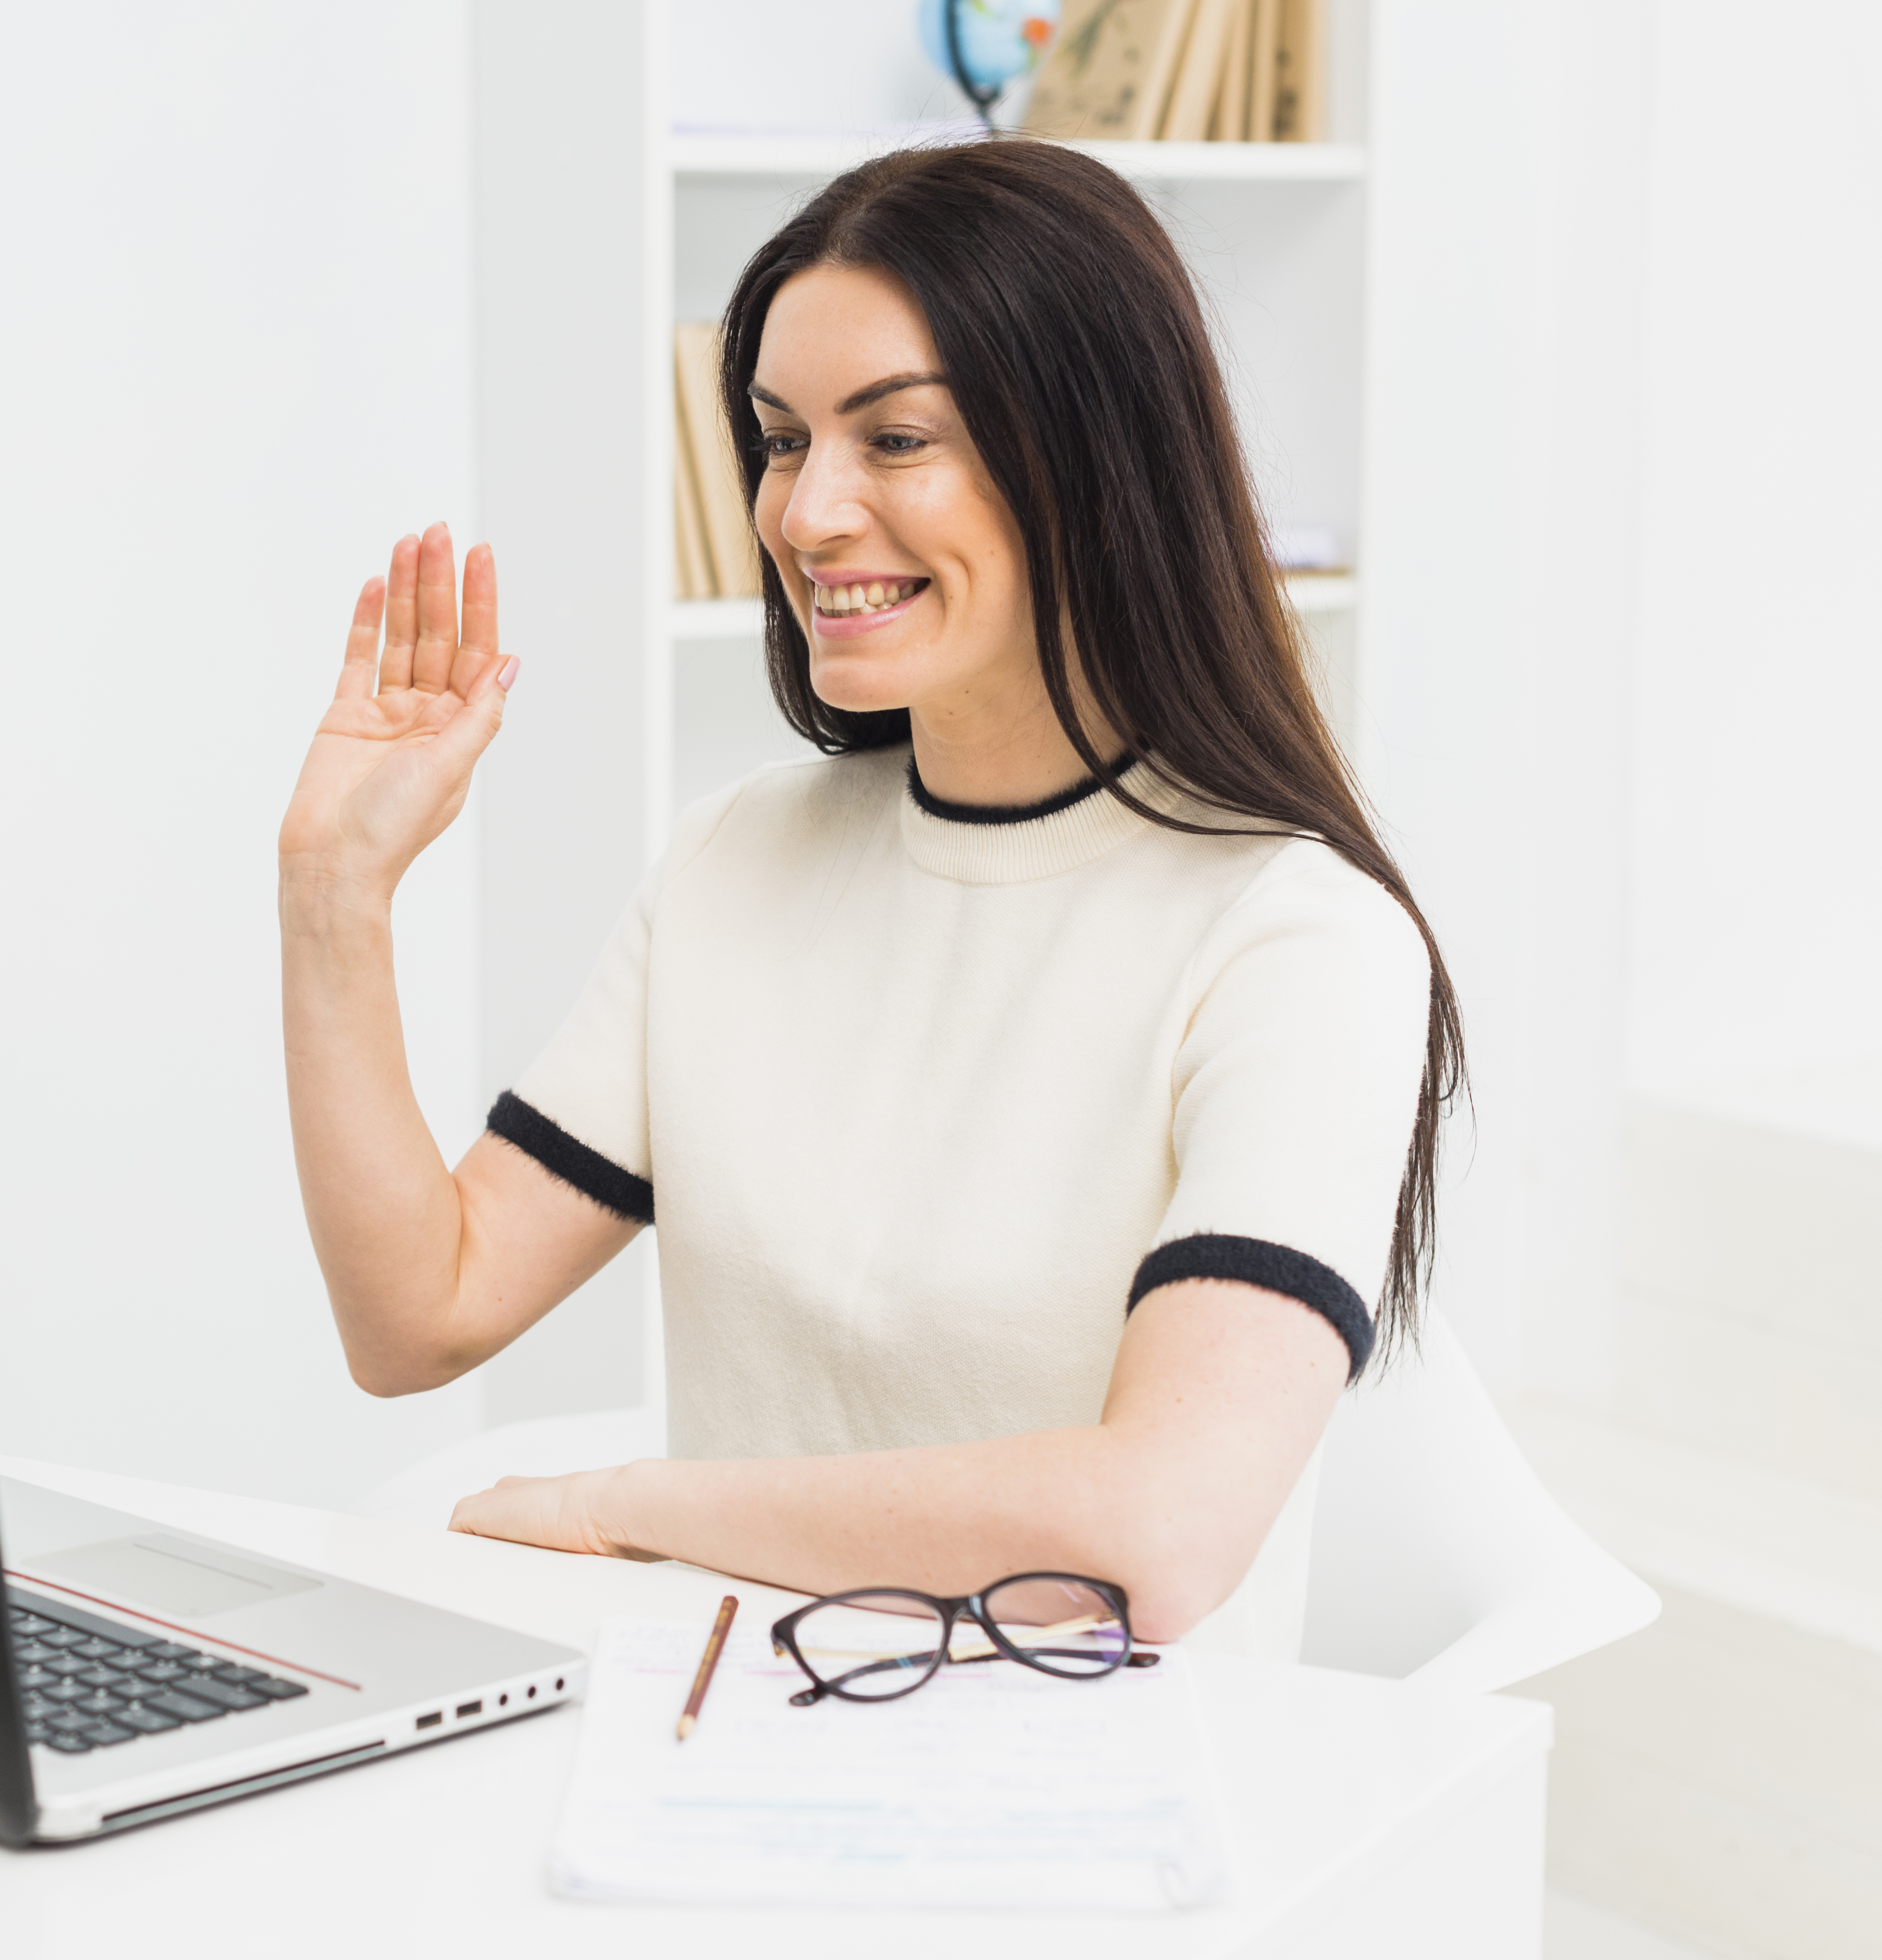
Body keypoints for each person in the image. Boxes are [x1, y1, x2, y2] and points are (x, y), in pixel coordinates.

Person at [273, 141, 1461, 1657]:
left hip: (1091, 1807)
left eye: (896, 440)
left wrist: (634, 1511)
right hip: (719, 1737)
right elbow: (415, 1315)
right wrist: (335, 891)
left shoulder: (1301, 939)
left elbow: (1155, 1534)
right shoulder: (735, 863)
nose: (807, 515)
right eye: (781, 441)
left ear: (1095, 462)